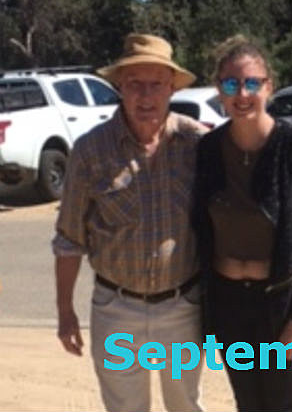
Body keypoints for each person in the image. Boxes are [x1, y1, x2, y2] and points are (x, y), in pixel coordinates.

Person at [53, 33, 208, 412]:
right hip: (116, 309)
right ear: (119, 86)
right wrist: (65, 312)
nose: (145, 95)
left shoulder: (198, 144)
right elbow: (69, 238)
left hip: (183, 307)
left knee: (185, 406)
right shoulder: (90, 151)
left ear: (172, 88)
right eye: (135, 83)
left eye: (156, 84)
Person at [192, 35, 292, 412]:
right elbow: (199, 228)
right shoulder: (208, 149)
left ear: (269, 87)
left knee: (282, 405)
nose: (242, 94)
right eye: (231, 84)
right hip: (228, 303)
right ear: (219, 90)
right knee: (248, 404)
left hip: (278, 303)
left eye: (252, 83)